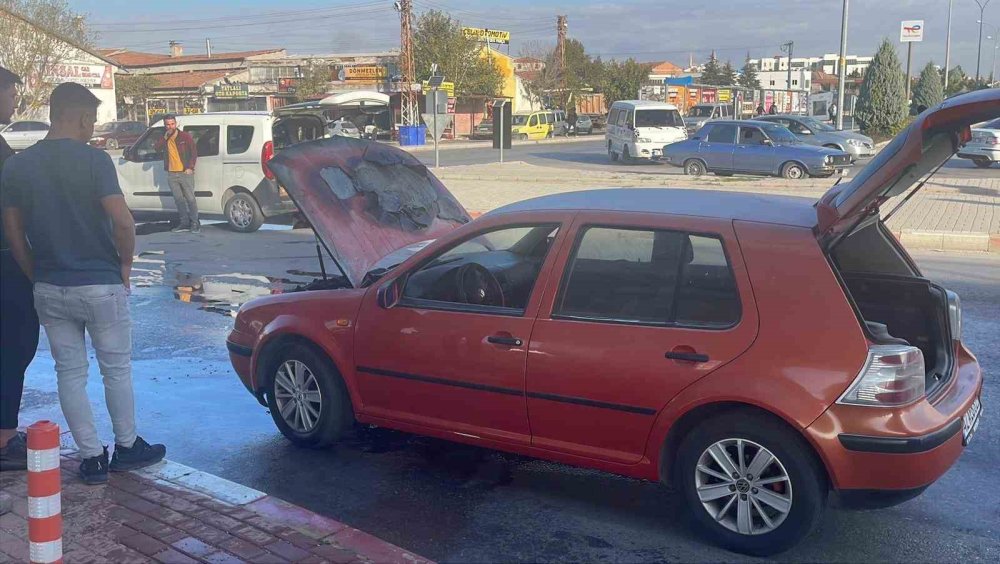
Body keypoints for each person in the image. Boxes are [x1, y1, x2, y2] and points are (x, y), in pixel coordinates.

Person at [1, 83, 166, 485]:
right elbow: (123, 221)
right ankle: (127, 448)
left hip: (49, 285)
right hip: (99, 284)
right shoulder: (95, 161)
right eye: (90, 120)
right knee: (115, 369)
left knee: (69, 373)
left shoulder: (18, 165)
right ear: (81, 118)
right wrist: (124, 266)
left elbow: (14, 233)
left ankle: (91, 458)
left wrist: (34, 273)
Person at [0, 67, 38, 481]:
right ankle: (4, 439)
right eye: (10, 91)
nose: (13, 99)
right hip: (5, 263)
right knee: (13, 346)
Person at [154, 114, 199, 233]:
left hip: (185, 172)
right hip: (172, 173)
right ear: (165, 125)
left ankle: (195, 222)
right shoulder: (165, 138)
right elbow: (156, 148)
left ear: (176, 124)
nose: (170, 127)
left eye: (172, 124)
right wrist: (164, 138)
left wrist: (190, 167)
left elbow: (193, 152)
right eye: (168, 124)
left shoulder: (184, 136)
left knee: (190, 199)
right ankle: (184, 222)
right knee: (178, 200)